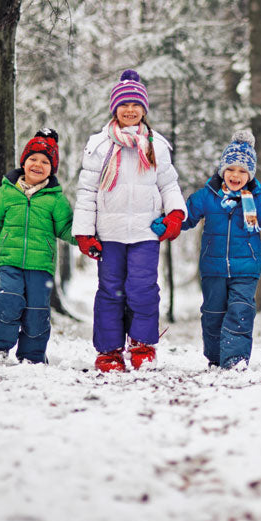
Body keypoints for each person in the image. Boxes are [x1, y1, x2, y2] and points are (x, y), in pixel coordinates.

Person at [73, 69, 187, 372]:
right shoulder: (99, 145)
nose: (130, 110)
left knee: (143, 289)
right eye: (124, 105)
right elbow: (86, 191)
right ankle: (109, 352)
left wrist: (175, 213)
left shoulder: (156, 145)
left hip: (145, 232)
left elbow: (169, 184)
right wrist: (85, 232)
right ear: (114, 109)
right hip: (108, 234)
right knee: (110, 291)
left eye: (136, 105)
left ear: (144, 110)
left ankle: (142, 345)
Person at [165, 128, 261, 369]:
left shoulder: (259, 201)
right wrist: (167, 224)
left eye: (242, 171)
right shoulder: (207, 196)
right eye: (230, 169)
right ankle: (215, 358)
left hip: (246, 268)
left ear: (250, 175)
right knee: (212, 314)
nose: (235, 175)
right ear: (222, 170)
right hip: (213, 267)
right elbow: (186, 217)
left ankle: (235, 360)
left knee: (241, 311)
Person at [0, 128, 74, 364]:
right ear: (24, 162)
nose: (38, 165)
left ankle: (32, 356)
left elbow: (67, 228)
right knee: (9, 299)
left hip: (41, 265)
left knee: (37, 310)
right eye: (33, 159)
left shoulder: (56, 198)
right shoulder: (7, 192)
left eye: (45, 162)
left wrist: (88, 239)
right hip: (9, 260)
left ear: (52, 168)